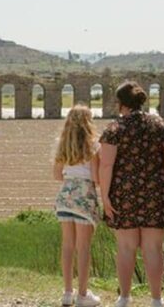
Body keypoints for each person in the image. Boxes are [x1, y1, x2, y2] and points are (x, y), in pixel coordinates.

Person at [99, 81, 164, 307]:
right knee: (154, 248)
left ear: (120, 103)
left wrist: (105, 197)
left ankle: (124, 297)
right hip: (155, 192)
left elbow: (106, 165)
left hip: (124, 193)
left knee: (125, 247)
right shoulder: (160, 125)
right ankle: (156, 299)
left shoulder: (114, 129)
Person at [53, 104, 102, 307]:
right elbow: (97, 177)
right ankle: (82, 294)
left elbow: (56, 174)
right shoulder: (93, 146)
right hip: (85, 196)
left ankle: (67, 292)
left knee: (67, 245)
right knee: (83, 248)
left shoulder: (61, 144)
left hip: (65, 195)